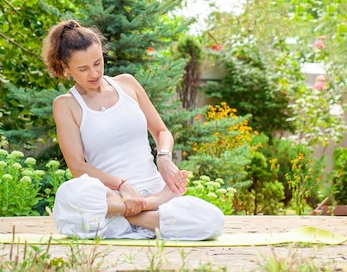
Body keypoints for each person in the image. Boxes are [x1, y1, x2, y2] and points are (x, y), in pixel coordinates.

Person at [42, 19, 224, 240]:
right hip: (111, 198)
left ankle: (136, 213)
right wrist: (122, 185)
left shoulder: (127, 84)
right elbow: (78, 167)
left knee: (213, 221)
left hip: (154, 193)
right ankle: (142, 215)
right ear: (65, 68)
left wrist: (164, 157)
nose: (94, 73)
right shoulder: (66, 104)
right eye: (83, 68)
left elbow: (161, 132)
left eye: (98, 62)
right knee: (69, 197)